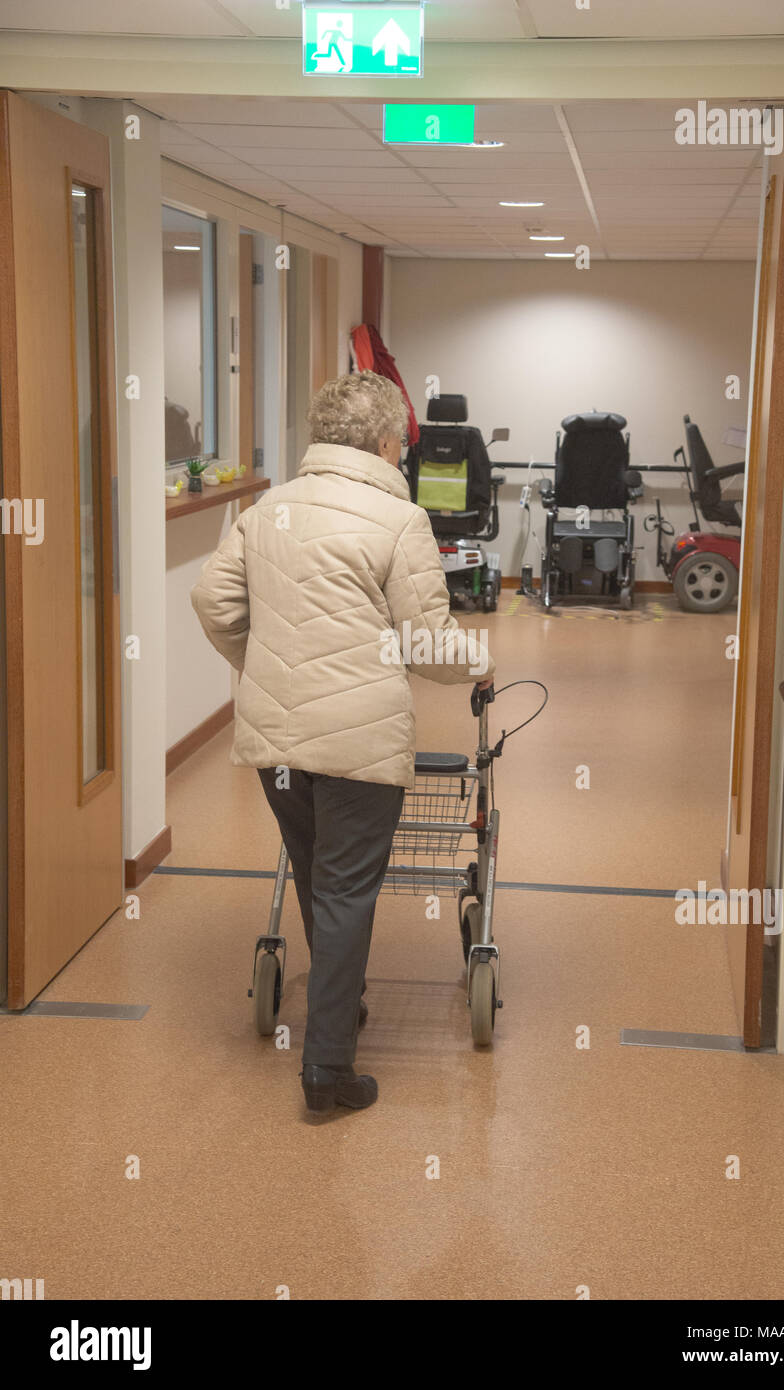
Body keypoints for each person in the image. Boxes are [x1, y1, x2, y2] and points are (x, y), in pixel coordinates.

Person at [191, 371, 494, 1114]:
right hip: (358, 744)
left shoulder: (268, 510)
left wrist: (260, 668)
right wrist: (481, 662)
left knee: (316, 876)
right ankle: (326, 1072)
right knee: (347, 891)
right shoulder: (398, 520)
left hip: (278, 746)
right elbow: (426, 643)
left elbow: (213, 599)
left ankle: (337, 1004)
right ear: (388, 441)